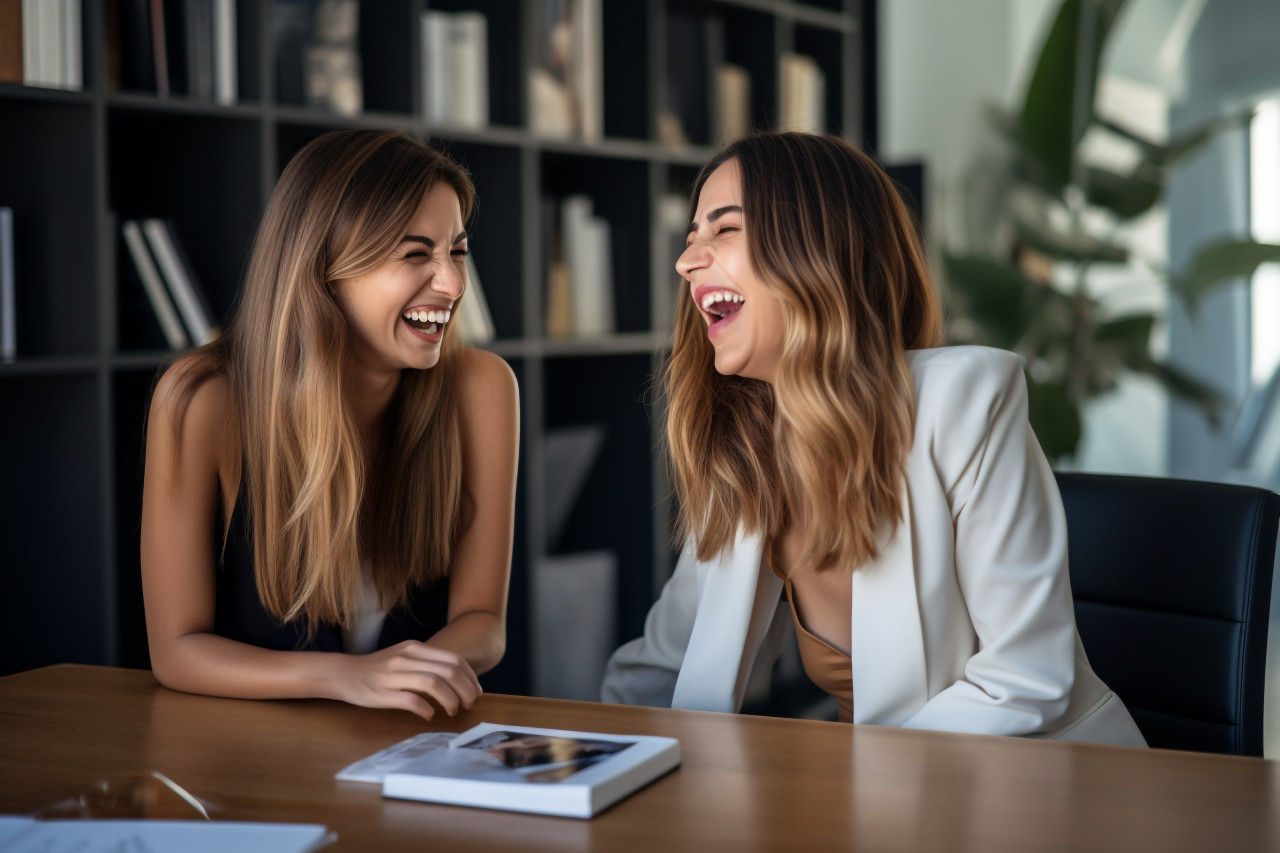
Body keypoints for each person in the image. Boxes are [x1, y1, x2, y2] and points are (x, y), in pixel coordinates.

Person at [601, 131, 1146, 746]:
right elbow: (665, 662)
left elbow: (1023, 679)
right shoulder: (745, 447)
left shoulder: (965, 405)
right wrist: (580, 760)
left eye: (724, 229)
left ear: (817, 249)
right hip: (890, 798)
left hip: (1047, 793)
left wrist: (858, 795)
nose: (686, 260)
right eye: (691, 236)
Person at [140, 129, 519, 722]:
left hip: (415, 743)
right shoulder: (202, 400)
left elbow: (483, 624)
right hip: (256, 760)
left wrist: (402, 684)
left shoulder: (483, 389)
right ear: (324, 268)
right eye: (416, 253)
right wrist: (348, 679)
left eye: (458, 251)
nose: (452, 284)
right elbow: (177, 650)